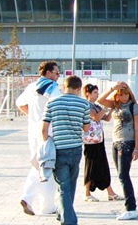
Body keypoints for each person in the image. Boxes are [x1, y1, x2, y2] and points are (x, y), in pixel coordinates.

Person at [41, 75, 91, 225]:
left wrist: (46, 143)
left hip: (59, 149)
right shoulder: (84, 104)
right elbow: (86, 127)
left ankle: (66, 218)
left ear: (64, 86)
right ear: (78, 88)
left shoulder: (52, 103)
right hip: (75, 148)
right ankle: (67, 218)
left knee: (63, 186)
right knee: (71, 184)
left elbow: (44, 129)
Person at [16, 61, 61, 216]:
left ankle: (47, 206)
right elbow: (57, 105)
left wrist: (33, 116)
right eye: (56, 72)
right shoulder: (51, 87)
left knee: (43, 166)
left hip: (33, 131)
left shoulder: (32, 86)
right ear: (48, 73)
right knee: (45, 165)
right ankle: (27, 197)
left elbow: (19, 103)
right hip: (48, 132)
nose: (58, 75)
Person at [97, 82, 138, 221]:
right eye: (120, 94)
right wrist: (112, 88)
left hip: (127, 142)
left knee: (123, 175)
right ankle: (130, 207)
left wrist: (137, 148)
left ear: (129, 94)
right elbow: (100, 100)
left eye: (125, 94)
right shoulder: (116, 105)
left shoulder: (135, 106)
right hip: (115, 142)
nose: (123, 97)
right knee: (121, 174)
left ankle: (131, 208)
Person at [81, 84, 122, 202]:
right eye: (94, 92)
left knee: (102, 164)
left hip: (98, 140)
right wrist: (105, 107)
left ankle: (110, 192)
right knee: (90, 166)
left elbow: (107, 118)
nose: (97, 95)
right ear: (87, 93)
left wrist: (111, 108)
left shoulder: (96, 106)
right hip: (90, 141)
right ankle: (87, 193)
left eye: (97, 92)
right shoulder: (86, 105)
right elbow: (96, 118)